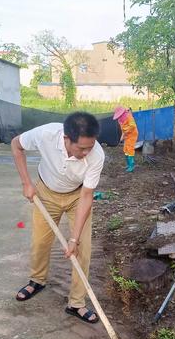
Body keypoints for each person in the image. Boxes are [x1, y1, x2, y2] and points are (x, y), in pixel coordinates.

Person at [11, 112, 105, 324]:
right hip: (45, 192)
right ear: (66, 139)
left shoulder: (96, 155)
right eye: (81, 148)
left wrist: (74, 239)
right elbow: (16, 145)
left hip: (77, 196)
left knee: (82, 249)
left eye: (90, 147)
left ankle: (77, 303)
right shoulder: (45, 134)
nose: (86, 152)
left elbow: (87, 196)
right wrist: (26, 182)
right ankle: (37, 280)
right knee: (40, 242)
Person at [113, 106, 138, 172]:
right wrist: (122, 137)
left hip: (132, 135)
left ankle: (131, 166)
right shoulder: (120, 120)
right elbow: (122, 129)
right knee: (125, 149)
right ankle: (128, 164)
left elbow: (132, 126)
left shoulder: (129, 117)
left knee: (130, 149)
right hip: (127, 135)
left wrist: (126, 132)